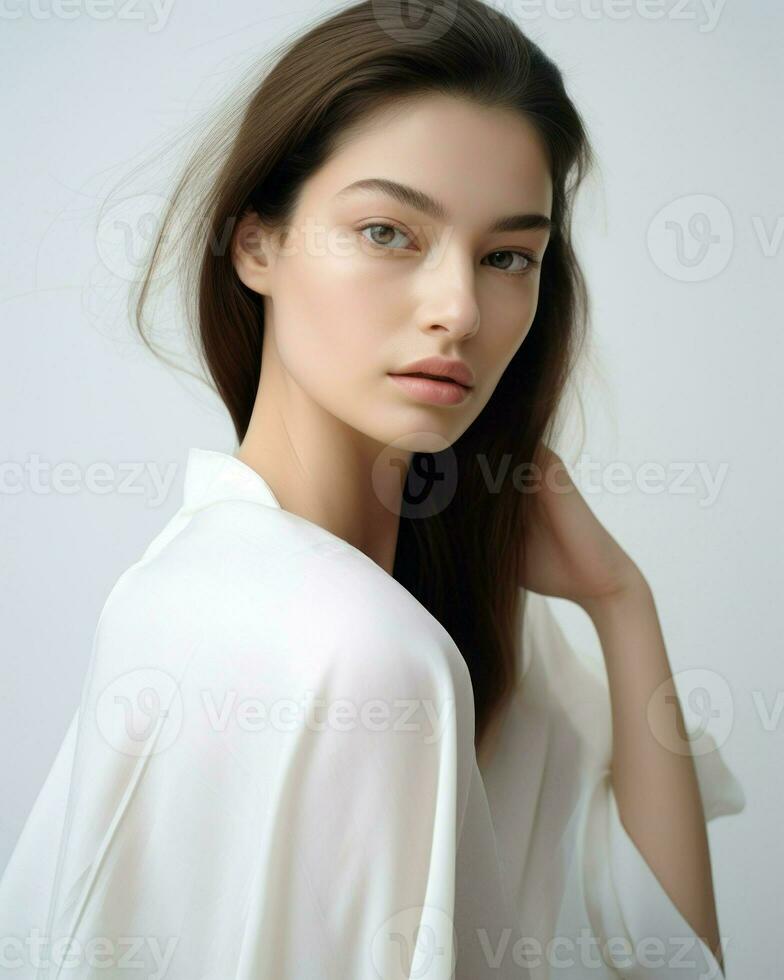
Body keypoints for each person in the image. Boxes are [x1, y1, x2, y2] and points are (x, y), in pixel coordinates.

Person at [0, 2, 745, 978]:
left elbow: (662, 955)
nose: (459, 310)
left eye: (507, 255)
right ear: (256, 242)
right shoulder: (366, 655)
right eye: (389, 230)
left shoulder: (212, 587)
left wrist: (620, 601)